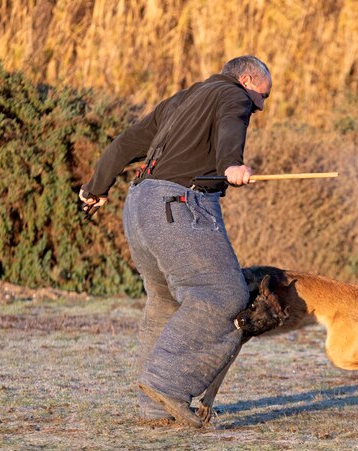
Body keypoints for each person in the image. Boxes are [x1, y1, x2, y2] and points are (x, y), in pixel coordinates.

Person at [79, 56, 272, 427]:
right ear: (246, 79)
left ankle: (156, 410)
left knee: (166, 302)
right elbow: (232, 122)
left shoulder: (182, 100)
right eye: (259, 97)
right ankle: (167, 385)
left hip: (139, 207)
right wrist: (231, 163)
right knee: (225, 295)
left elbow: (124, 144)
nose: (257, 107)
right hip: (180, 204)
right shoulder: (233, 95)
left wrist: (95, 187)